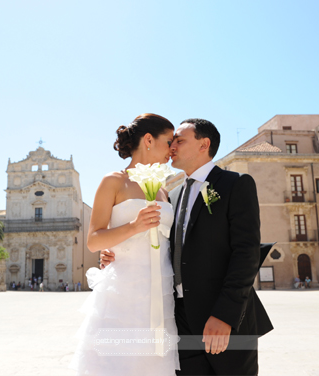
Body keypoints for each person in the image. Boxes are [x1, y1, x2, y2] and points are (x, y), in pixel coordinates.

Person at [101, 119, 274, 375]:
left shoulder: (235, 184)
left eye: (179, 141)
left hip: (226, 320)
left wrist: (225, 315)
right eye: (171, 142)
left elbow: (246, 253)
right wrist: (114, 253)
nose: (172, 147)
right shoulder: (170, 196)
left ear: (204, 145)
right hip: (179, 320)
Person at [70, 114, 180, 375]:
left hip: (161, 290)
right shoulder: (114, 181)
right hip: (123, 292)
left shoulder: (163, 189)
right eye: (168, 141)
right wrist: (133, 227)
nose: (172, 149)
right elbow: (94, 240)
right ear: (149, 140)